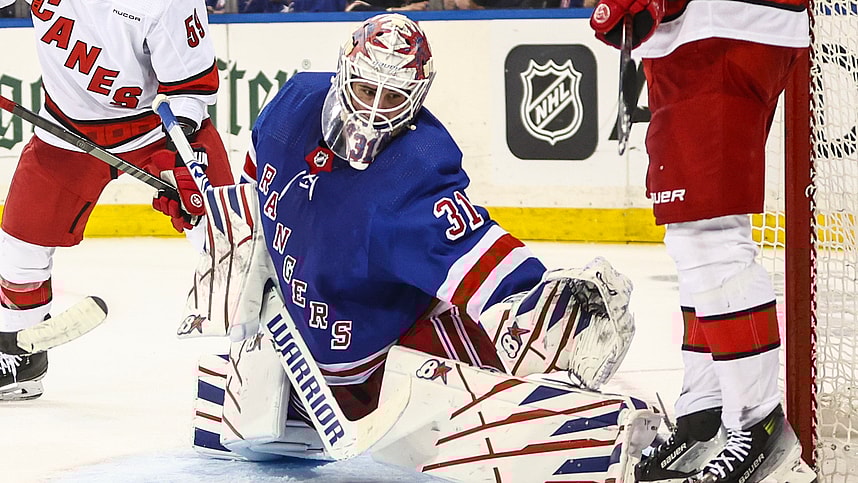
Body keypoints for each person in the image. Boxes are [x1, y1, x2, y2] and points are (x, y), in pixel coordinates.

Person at [177, 14, 656, 480]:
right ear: (344, 71)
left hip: (349, 362)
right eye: (367, 90)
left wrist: (537, 305)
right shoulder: (293, 107)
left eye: (393, 97)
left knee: (502, 318)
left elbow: (484, 266)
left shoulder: (412, 174)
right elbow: (254, 185)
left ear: (418, 99)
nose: (374, 110)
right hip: (337, 367)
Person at [590, 0, 814, 482]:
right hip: (694, 34)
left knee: (709, 236)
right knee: (692, 239)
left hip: (724, 28)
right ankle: (705, 414)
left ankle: (759, 427)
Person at [0, 0, 234, 401]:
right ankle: (19, 359)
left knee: (228, 237)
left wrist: (184, 157)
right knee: (19, 249)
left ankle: (263, 349)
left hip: (156, 129)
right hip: (65, 128)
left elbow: (191, 91)